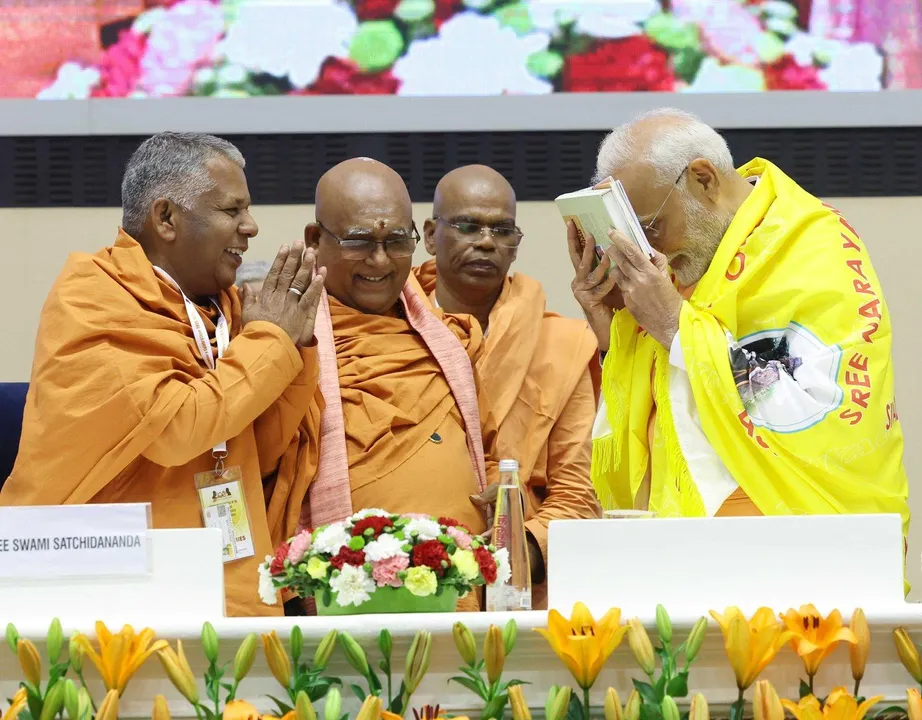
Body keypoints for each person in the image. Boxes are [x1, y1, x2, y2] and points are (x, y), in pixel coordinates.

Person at [0, 132, 327, 617]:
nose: (251, 226)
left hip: (222, 568)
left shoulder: (227, 307)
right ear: (166, 218)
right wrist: (272, 341)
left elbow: (261, 447)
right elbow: (177, 429)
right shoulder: (93, 296)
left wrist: (294, 346)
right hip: (107, 579)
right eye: (231, 210)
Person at [573, 108, 909, 537]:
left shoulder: (813, 248)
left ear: (703, 179)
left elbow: (820, 411)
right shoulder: (682, 257)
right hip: (677, 538)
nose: (651, 250)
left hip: (791, 537)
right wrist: (615, 333)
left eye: (650, 227)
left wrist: (675, 325)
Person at [297, 158, 497, 610]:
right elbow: (270, 481)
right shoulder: (289, 341)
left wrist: (503, 496)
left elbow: (487, 452)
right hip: (342, 602)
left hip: (459, 602)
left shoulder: (448, 344)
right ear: (314, 240)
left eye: (397, 242)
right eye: (359, 241)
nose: (380, 260)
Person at [414, 165, 602, 608]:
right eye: (468, 226)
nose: (486, 242)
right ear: (430, 235)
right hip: (404, 577)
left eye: (502, 231)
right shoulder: (389, 329)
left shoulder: (563, 344)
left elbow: (577, 494)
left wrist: (513, 551)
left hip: (519, 587)